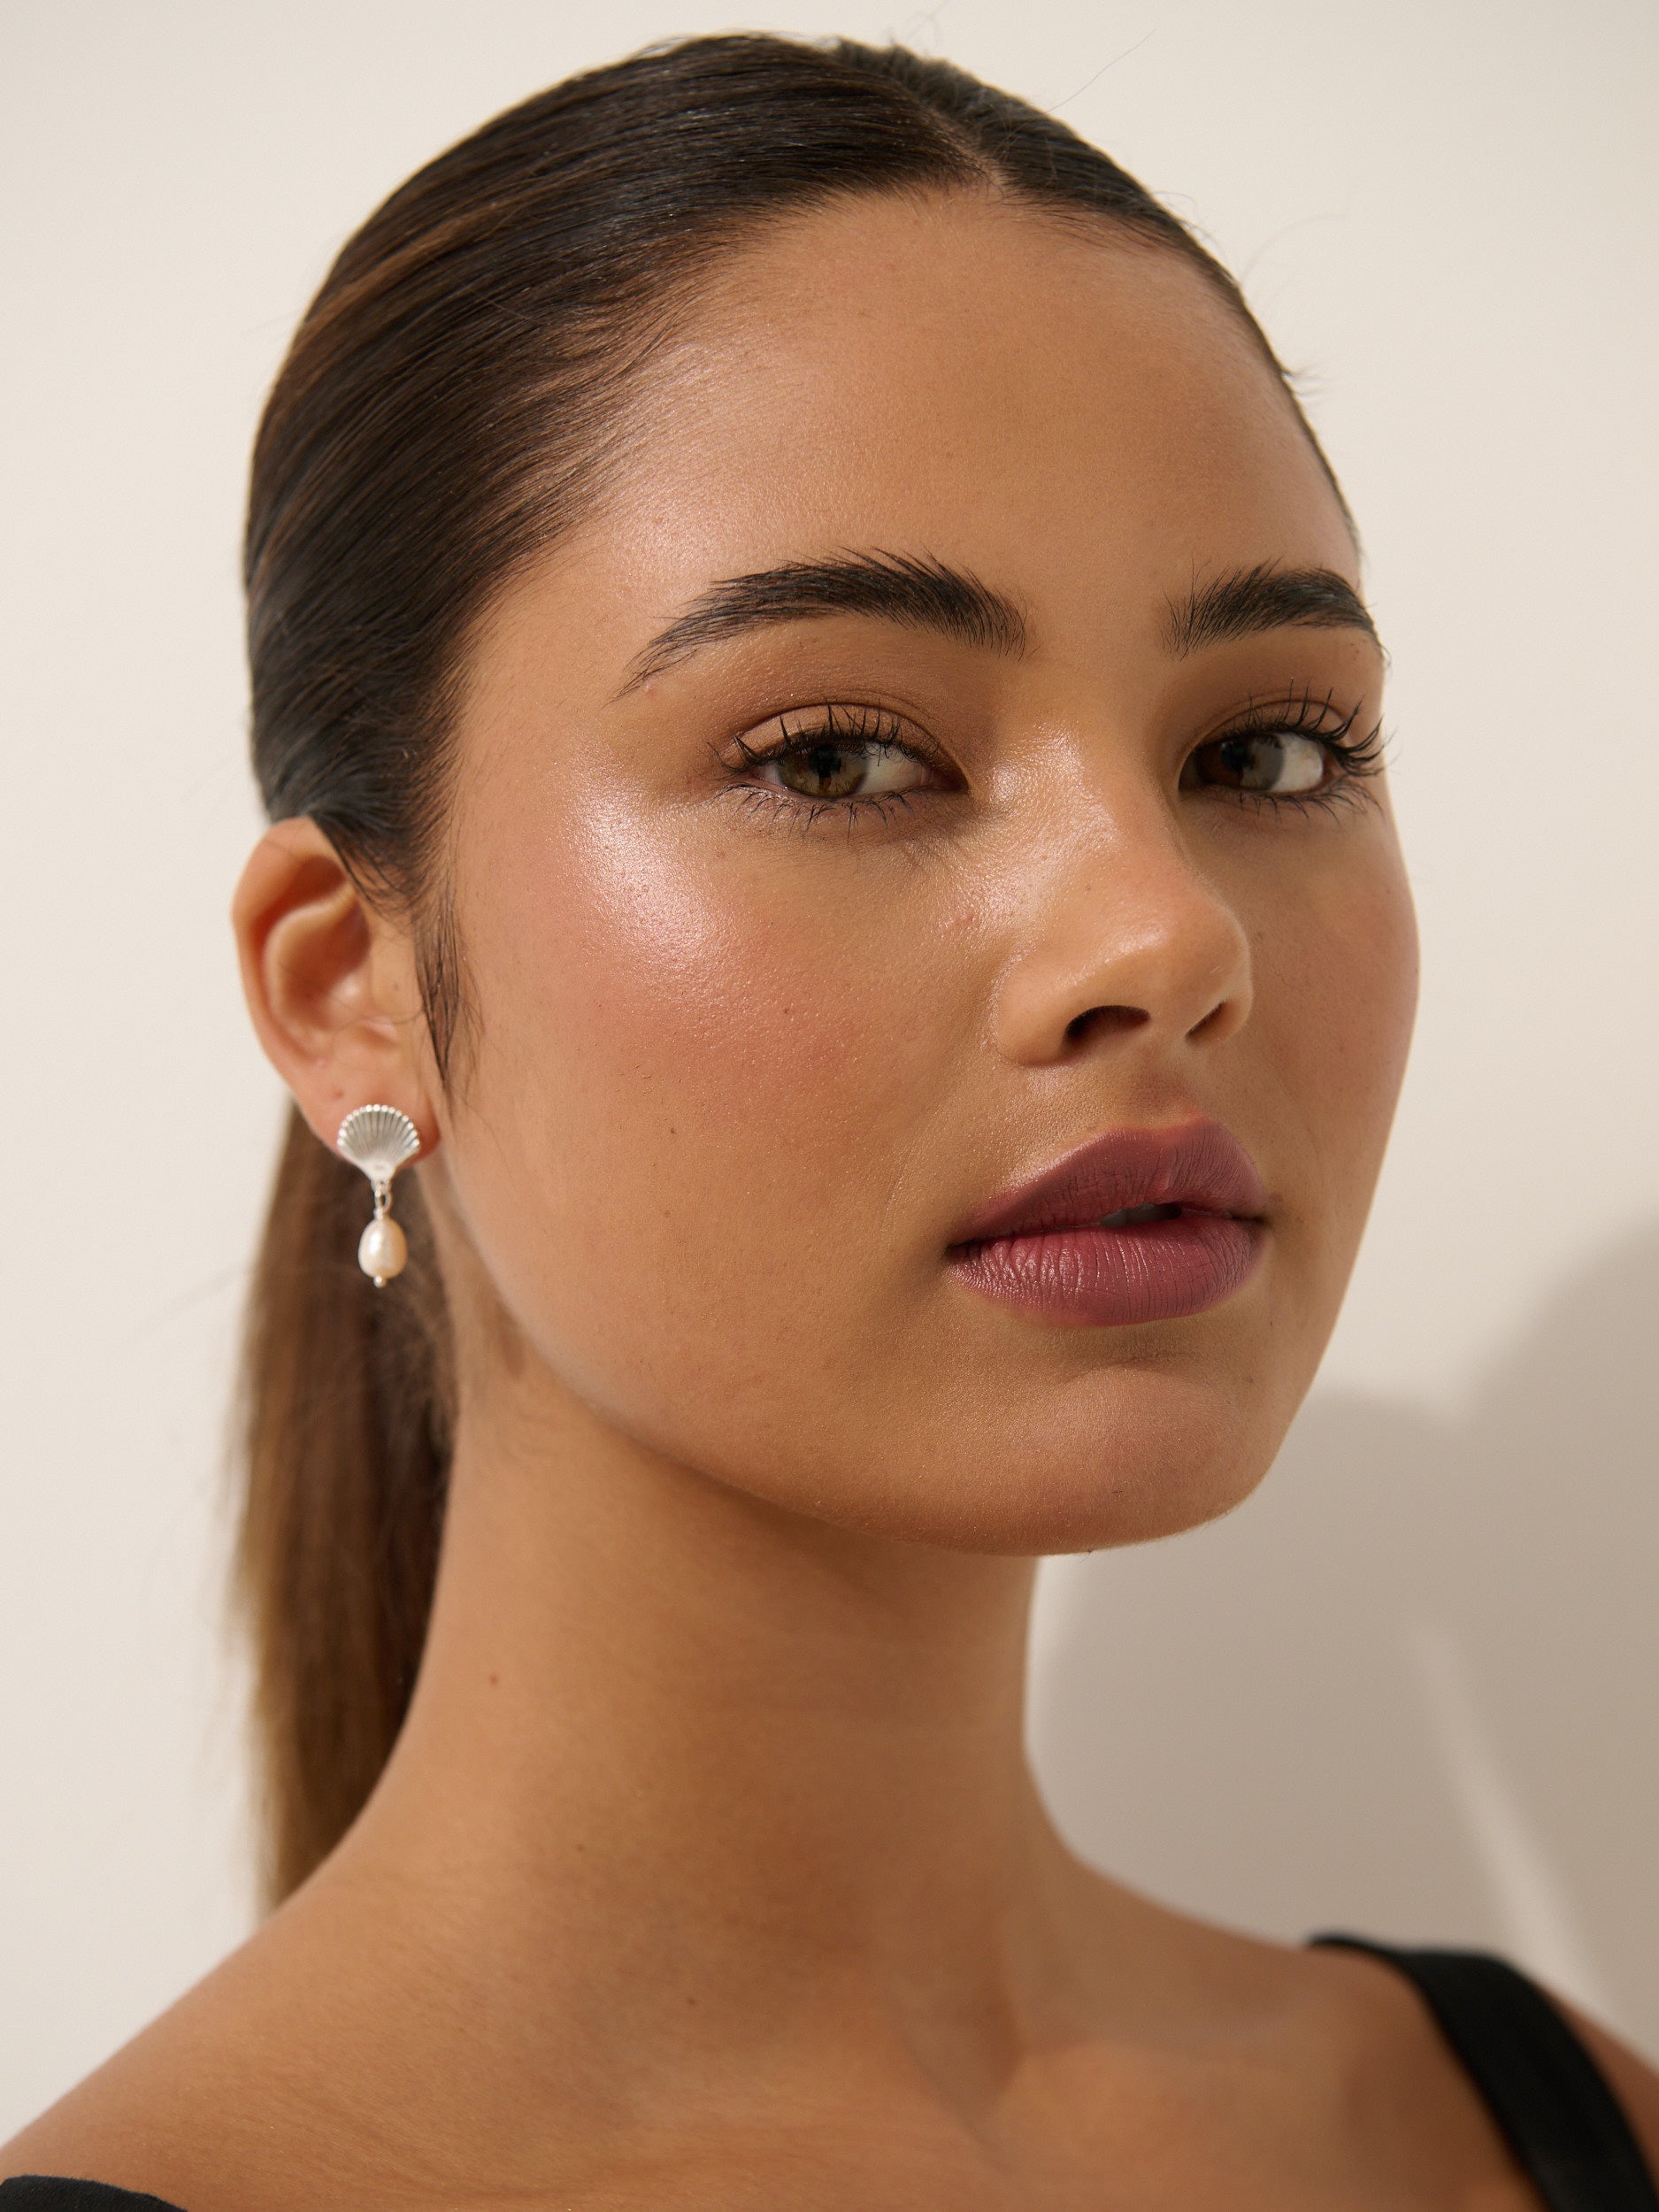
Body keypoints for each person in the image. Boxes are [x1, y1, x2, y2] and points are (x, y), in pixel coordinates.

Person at [5, 33, 1655, 2211]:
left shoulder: (1538, 2125)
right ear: (348, 986)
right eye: (837, 758)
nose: (1166, 934)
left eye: (1265, 751)